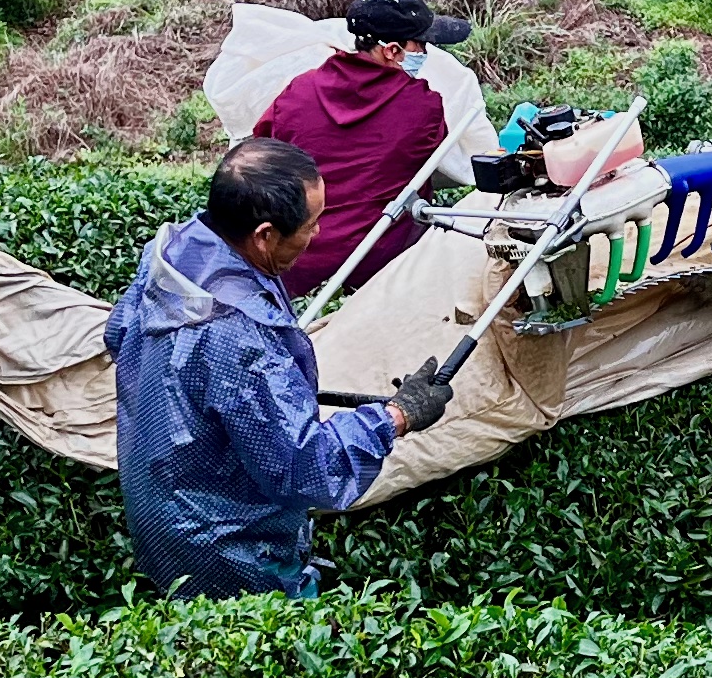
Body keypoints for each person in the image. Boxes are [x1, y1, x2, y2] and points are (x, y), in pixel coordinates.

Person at [107, 137, 458, 598]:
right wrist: (398, 415)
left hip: (161, 508)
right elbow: (304, 467)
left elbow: (118, 334)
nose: (316, 235)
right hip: (227, 548)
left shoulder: (176, 253)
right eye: (312, 224)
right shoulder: (234, 335)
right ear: (265, 234)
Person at [255, 0, 471, 300]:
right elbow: (432, 165)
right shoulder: (421, 105)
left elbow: (263, 149)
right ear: (392, 51)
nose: (425, 53)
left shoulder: (298, 92)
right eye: (420, 44)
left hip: (302, 252)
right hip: (380, 252)